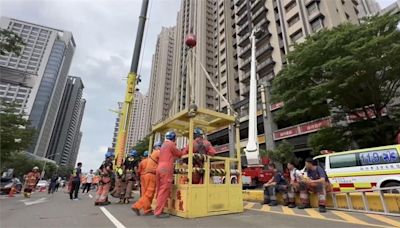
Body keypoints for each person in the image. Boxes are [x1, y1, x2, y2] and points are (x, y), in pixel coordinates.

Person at [155, 131, 184, 218]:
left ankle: (158, 209)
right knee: (164, 190)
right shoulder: (171, 144)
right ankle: (158, 212)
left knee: (160, 189)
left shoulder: (163, 145)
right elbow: (179, 154)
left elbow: (171, 156)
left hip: (159, 168)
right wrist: (183, 150)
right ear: (173, 138)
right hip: (166, 169)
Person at [132, 142, 161, 216]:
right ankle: (136, 206)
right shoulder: (157, 153)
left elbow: (138, 171)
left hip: (143, 177)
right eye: (160, 146)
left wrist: (138, 179)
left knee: (145, 194)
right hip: (151, 175)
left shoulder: (143, 161)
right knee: (149, 193)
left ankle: (147, 209)